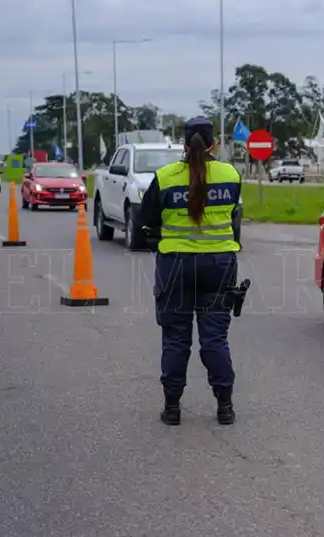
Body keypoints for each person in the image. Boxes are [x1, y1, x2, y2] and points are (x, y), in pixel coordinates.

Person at [139, 116, 242, 426]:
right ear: (215, 145)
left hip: (175, 266)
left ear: (183, 146)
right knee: (214, 339)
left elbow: (147, 218)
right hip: (219, 265)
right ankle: (224, 407)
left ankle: (172, 409)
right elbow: (233, 212)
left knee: (175, 338)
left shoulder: (165, 177)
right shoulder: (230, 174)